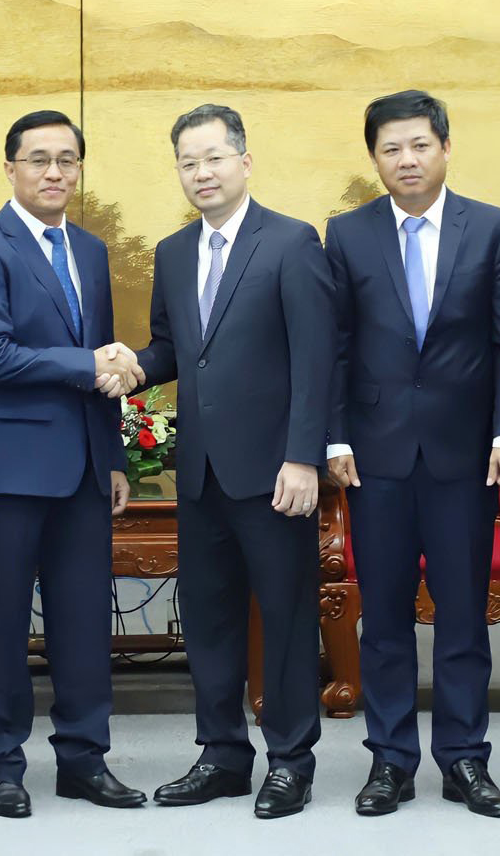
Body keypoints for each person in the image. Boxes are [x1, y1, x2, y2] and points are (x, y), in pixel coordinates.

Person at [323, 91, 500, 820]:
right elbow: (335, 344)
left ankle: (466, 759)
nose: (405, 159)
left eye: (418, 145)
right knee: (382, 618)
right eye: (390, 148)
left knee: (463, 613)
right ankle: (391, 760)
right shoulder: (346, 234)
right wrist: (334, 434)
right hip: (372, 456)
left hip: (465, 454)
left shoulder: (495, 228)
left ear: (444, 146)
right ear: (375, 157)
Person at [134, 104, 334, 820]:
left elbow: (317, 359)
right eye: (188, 161)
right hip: (201, 473)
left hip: (276, 473)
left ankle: (290, 760)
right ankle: (221, 754)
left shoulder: (291, 242)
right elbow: (171, 348)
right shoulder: (173, 251)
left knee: (283, 616)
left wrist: (303, 457)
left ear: (244, 162)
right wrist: (131, 365)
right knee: (211, 619)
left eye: (213, 157)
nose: (201, 172)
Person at [0, 109, 144, 819]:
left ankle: (83, 758)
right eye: (39, 159)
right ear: (10, 168)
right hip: (9, 468)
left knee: (86, 620)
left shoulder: (90, 250)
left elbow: (97, 356)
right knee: (2, 625)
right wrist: (86, 363)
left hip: (86, 468)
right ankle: (1, 763)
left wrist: (115, 452)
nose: (54, 172)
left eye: (67, 159)